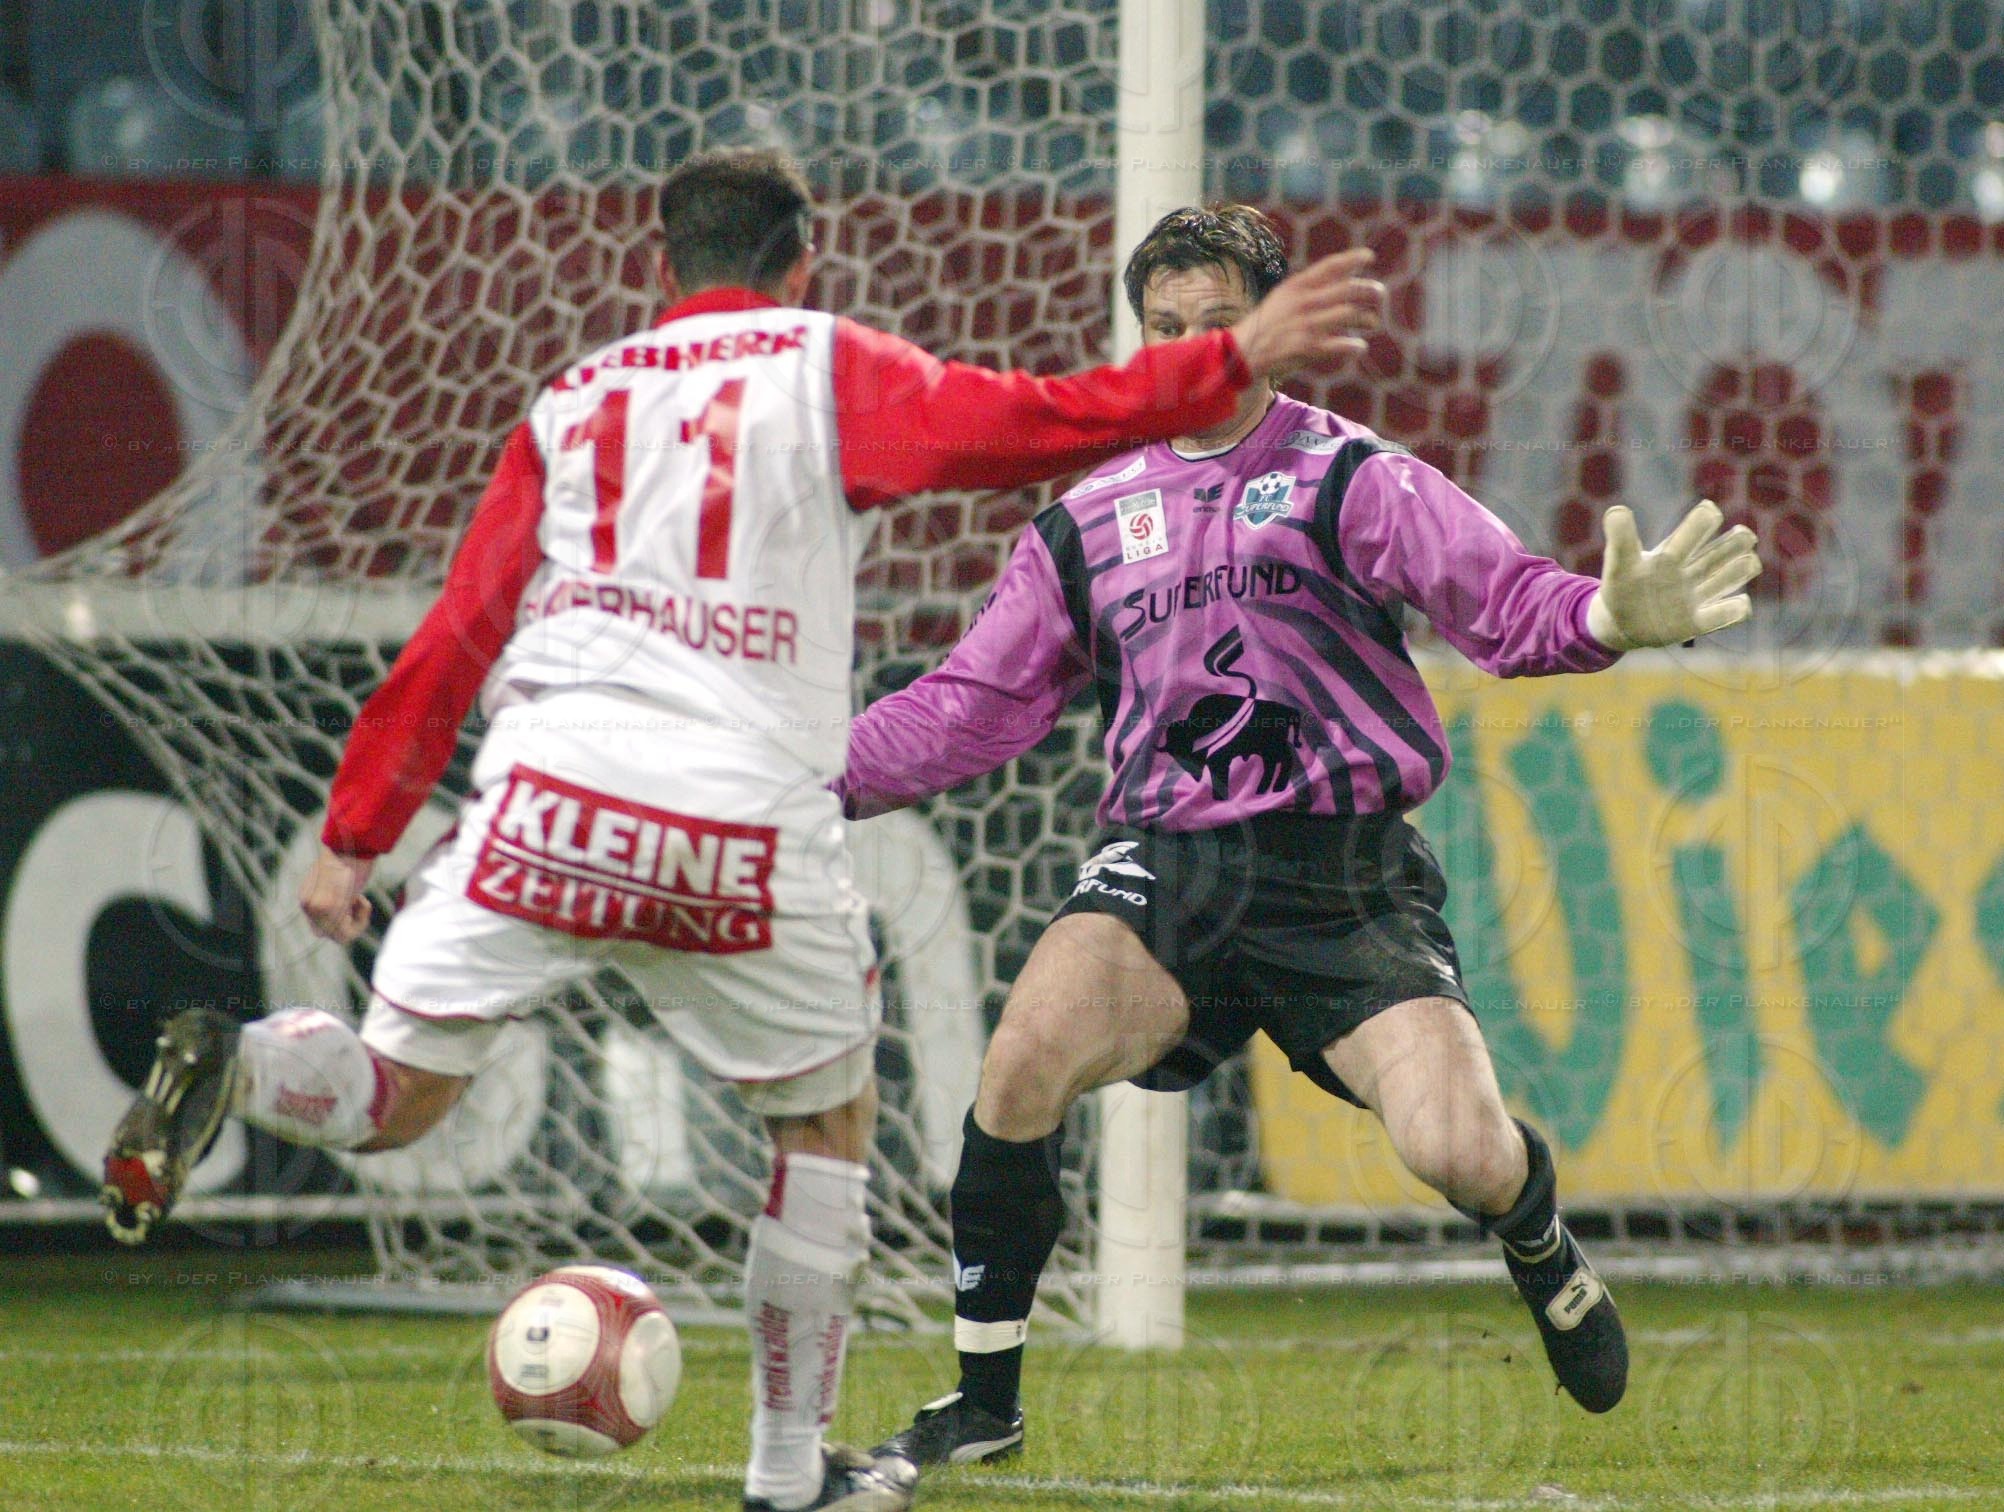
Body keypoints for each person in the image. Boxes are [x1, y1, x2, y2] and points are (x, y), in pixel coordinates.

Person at [98, 159, 1387, 1512]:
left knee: (391, 1094)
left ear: (662, 267)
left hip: (546, 796)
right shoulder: (825, 367)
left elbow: (461, 627)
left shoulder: (573, 400)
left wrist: (355, 832)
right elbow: (1027, 424)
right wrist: (1225, 362)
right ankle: (787, 1475)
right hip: (736, 818)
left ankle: (243, 1064)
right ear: (802, 262)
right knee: (824, 1128)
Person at [843, 206, 1762, 1470]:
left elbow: (1501, 601)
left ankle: (1537, 1238)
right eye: (1164, 329)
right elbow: (967, 705)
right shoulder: (1087, 520)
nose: (1189, 349)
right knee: (1020, 1065)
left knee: (1458, 1150)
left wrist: (1605, 614)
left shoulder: (1351, 477)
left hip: (1345, 878)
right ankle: (984, 1404)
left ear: (1268, 329)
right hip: (1169, 872)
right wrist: (811, 779)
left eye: (1215, 323)